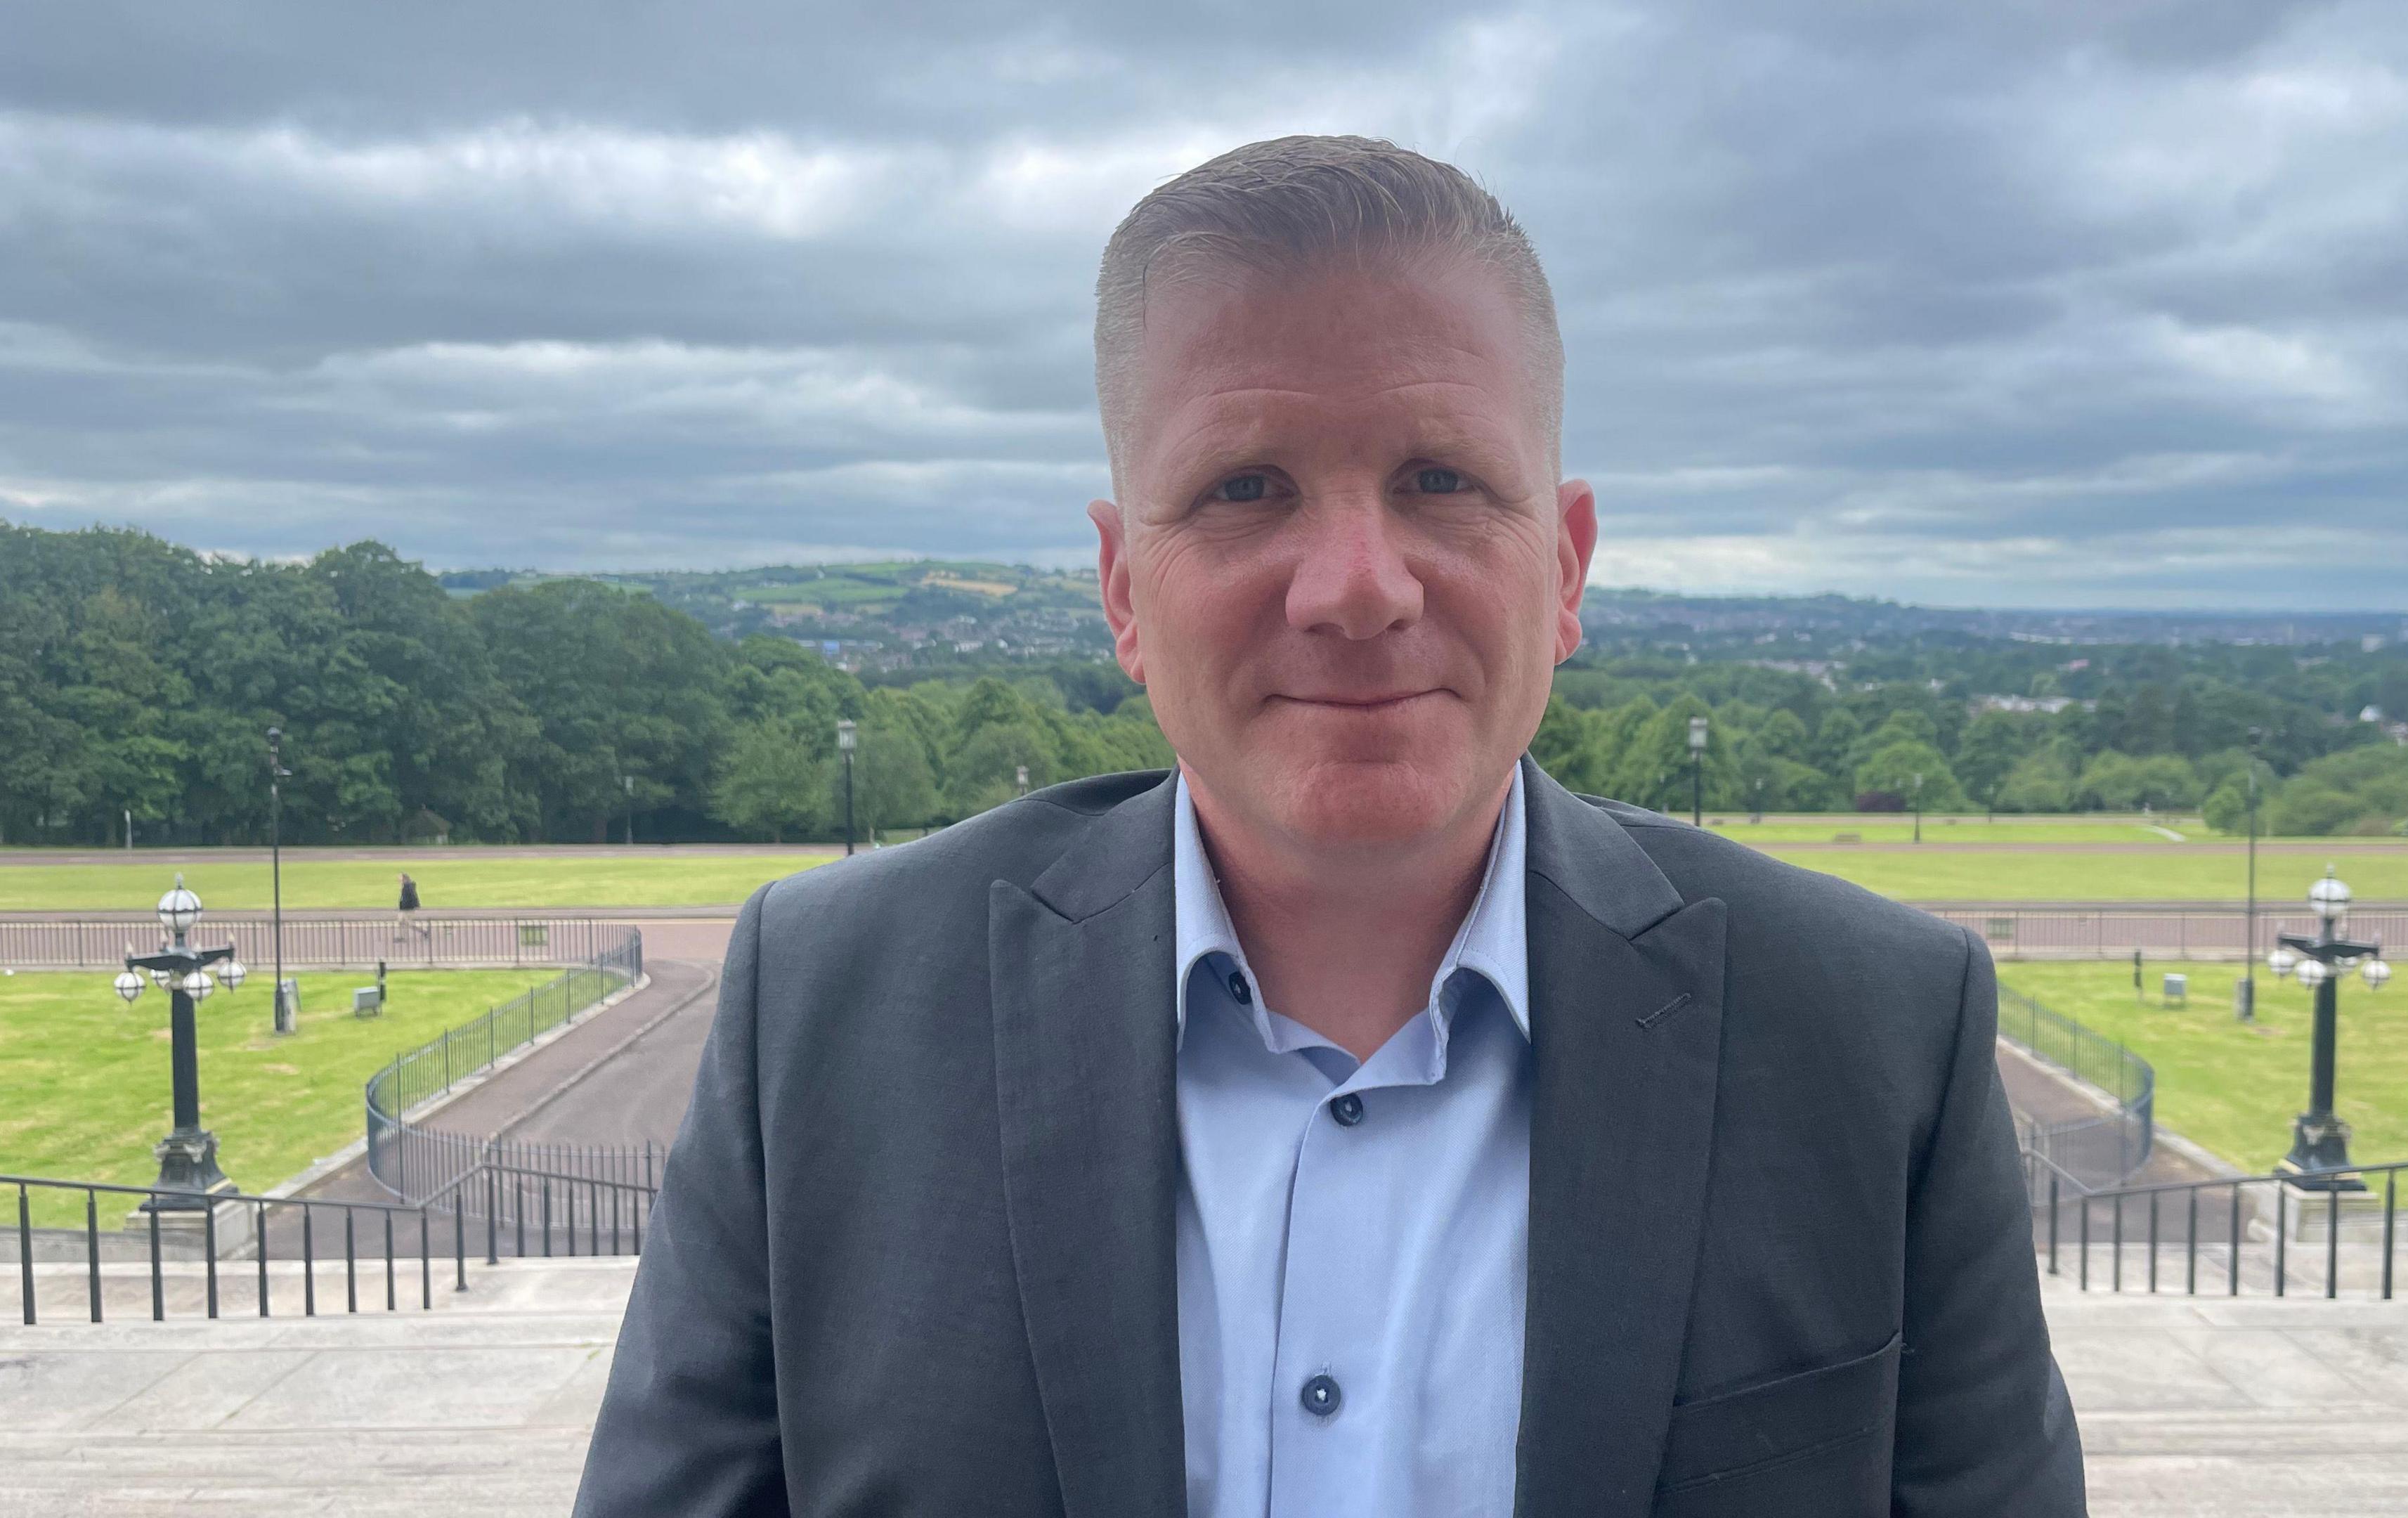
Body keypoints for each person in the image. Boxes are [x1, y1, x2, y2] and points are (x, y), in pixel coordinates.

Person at [575, 136, 2082, 1517]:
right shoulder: (827, 1007)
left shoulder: (1877, 1037)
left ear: (1563, 569)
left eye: (1440, 479)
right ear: (1120, 592)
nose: (1357, 587)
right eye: (1244, 489)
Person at [394, 871, 424, 940]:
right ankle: (423, 932)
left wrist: (414, 905)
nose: (398, 879)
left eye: (400, 877)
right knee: (405, 923)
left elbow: (412, 897)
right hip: (406, 908)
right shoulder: (406, 886)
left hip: (407, 908)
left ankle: (403, 937)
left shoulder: (407, 886)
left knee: (404, 922)